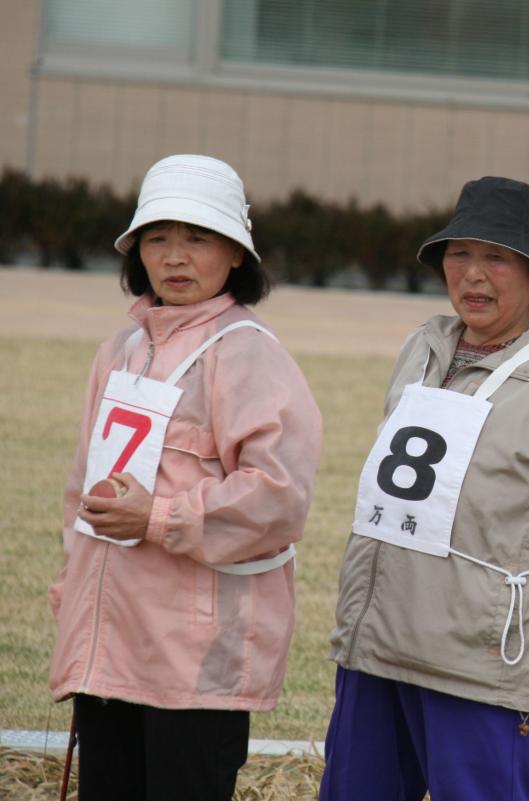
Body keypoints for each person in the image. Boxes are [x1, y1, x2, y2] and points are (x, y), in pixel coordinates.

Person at [320, 176, 529, 801]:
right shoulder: (423, 347)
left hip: (480, 663)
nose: (473, 275)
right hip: (378, 643)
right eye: (459, 255)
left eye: (497, 258)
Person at [48, 154, 323, 801]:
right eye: (158, 237)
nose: (175, 255)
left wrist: (160, 517)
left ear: (235, 253)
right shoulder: (119, 349)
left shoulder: (249, 352)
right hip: (108, 652)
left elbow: (279, 496)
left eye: (197, 237)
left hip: (194, 663)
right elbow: (82, 491)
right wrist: (74, 594)